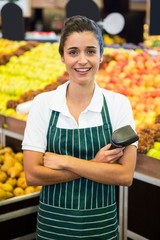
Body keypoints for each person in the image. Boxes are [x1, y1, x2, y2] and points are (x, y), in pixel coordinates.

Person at [22, 15, 138, 240]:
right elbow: (32, 174)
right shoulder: (43, 104)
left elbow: (124, 175)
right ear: (62, 57)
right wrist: (97, 166)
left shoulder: (118, 104)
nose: (82, 60)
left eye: (91, 51)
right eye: (73, 52)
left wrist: (66, 161)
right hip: (52, 228)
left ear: (101, 56)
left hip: (101, 228)